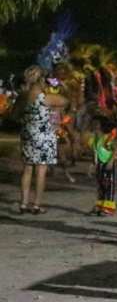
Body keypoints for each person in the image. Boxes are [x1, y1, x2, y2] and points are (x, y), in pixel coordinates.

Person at [18, 65, 68, 214]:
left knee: (27, 169)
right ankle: (37, 204)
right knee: (41, 170)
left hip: (28, 132)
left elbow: (13, 115)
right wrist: (58, 84)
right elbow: (66, 100)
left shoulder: (23, 97)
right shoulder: (46, 98)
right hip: (44, 134)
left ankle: (23, 203)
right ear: (41, 80)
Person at [89, 115, 117, 216]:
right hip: (100, 165)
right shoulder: (93, 140)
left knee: (109, 185)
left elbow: (116, 150)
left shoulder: (107, 138)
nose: (94, 128)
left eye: (96, 125)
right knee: (100, 186)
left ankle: (108, 207)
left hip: (107, 165)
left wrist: (110, 161)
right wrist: (91, 167)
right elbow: (94, 154)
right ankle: (100, 204)